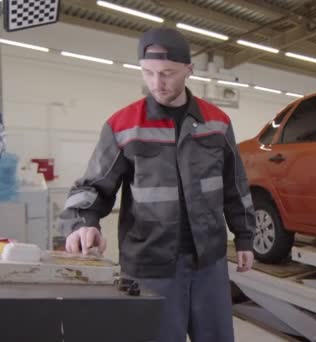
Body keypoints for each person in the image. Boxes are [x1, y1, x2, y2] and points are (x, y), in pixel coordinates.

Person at [58, 27, 255, 342]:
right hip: (150, 263)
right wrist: (84, 223)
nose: (157, 83)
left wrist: (244, 236)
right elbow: (92, 186)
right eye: (148, 73)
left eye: (167, 73)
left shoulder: (216, 122)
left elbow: (236, 185)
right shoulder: (123, 125)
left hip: (209, 260)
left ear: (188, 70)